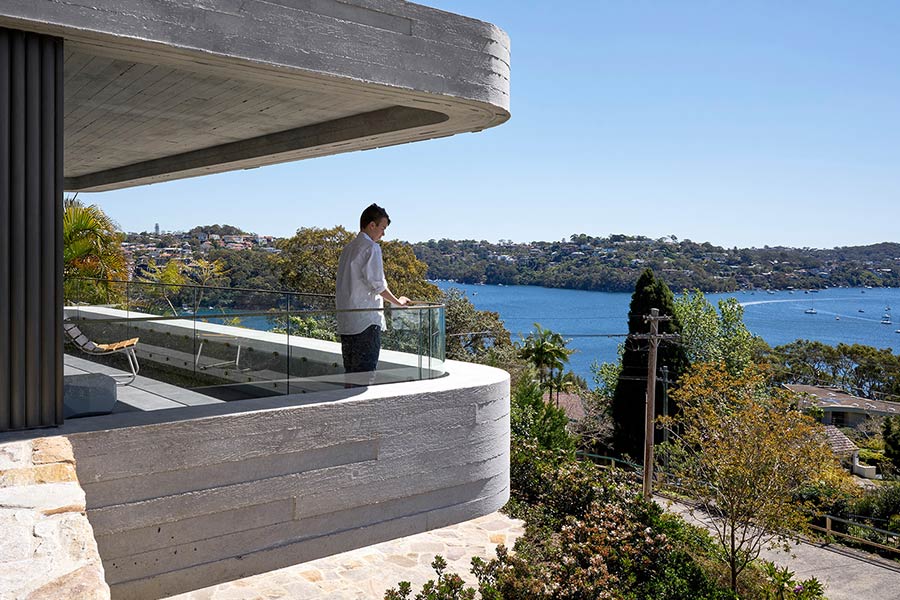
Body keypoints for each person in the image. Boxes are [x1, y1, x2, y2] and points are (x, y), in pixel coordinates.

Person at [336, 203, 409, 376]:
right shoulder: (371, 248)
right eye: (382, 228)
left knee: (350, 374)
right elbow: (377, 285)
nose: (383, 234)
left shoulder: (348, 249)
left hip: (347, 322)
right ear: (372, 225)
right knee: (365, 376)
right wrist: (398, 302)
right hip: (366, 322)